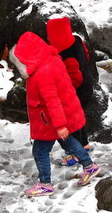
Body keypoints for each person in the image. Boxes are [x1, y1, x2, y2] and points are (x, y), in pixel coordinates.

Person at [12, 30, 101, 197]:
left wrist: (59, 125)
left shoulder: (42, 74)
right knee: (69, 142)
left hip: (49, 120)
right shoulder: (52, 59)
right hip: (59, 115)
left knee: (40, 151)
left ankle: (45, 183)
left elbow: (53, 101)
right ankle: (89, 166)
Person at [46, 15, 94, 166]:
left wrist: (65, 90)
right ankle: (84, 144)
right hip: (88, 83)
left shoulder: (64, 53)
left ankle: (77, 152)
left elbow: (75, 76)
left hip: (77, 90)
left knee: (73, 122)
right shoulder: (77, 41)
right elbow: (86, 54)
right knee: (80, 117)